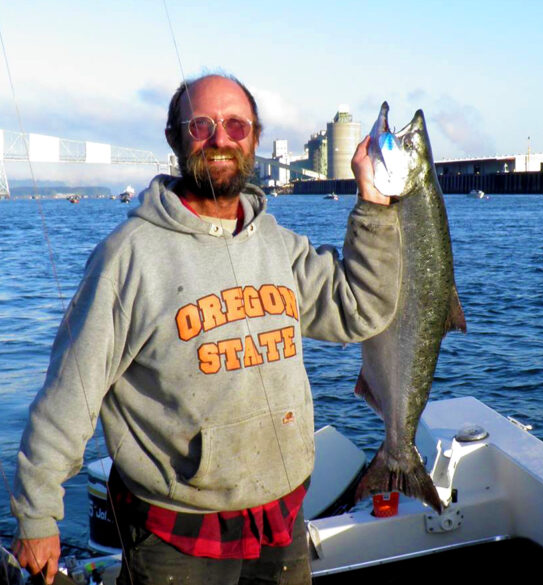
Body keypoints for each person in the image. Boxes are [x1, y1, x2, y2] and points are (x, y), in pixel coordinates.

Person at [11, 73, 400, 585]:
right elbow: (70, 395)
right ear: (175, 138)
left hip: (281, 517)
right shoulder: (127, 257)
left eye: (236, 125)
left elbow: (361, 309)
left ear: (255, 139)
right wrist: (37, 514)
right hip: (178, 532)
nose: (221, 138)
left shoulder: (277, 245)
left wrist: (374, 203)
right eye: (202, 124)